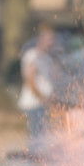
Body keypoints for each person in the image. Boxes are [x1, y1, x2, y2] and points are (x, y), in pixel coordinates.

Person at [17, 23, 56, 153]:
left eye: (52, 39)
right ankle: (35, 159)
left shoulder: (47, 58)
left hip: (43, 103)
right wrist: (42, 98)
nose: (51, 43)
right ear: (40, 39)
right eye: (48, 39)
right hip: (34, 103)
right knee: (37, 135)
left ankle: (40, 158)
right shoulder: (32, 56)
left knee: (43, 135)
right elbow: (30, 80)